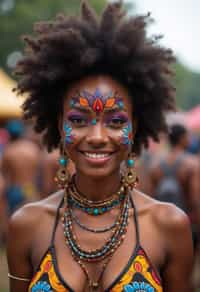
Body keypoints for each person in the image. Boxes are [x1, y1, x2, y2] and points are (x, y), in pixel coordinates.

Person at [6, 2, 193, 291]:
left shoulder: (169, 225)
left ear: (135, 126)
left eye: (115, 121)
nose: (96, 135)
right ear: (59, 125)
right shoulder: (26, 225)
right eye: (79, 120)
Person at [149, 124, 200, 248]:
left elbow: (151, 195)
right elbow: (195, 199)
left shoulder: (156, 164)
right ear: (182, 138)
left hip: (162, 221)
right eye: (188, 136)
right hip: (186, 222)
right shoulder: (192, 163)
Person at [1, 120, 41, 215]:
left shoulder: (9, 151)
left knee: (14, 219)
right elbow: (39, 171)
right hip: (30, 188)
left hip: (15, 189)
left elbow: (4, 174)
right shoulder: (33, 148)